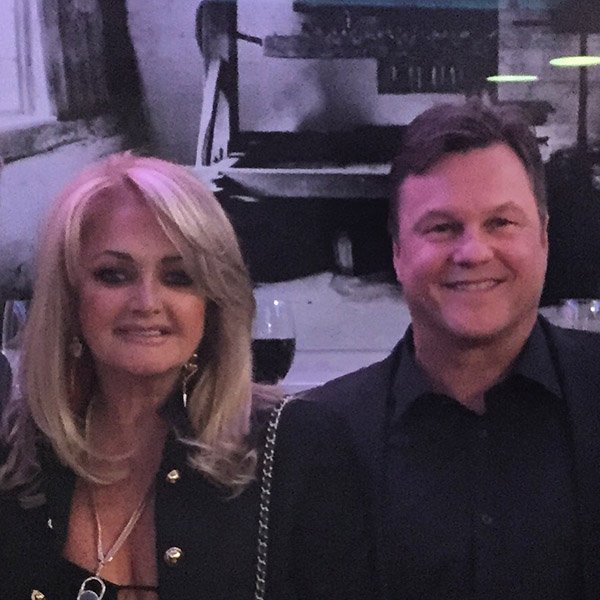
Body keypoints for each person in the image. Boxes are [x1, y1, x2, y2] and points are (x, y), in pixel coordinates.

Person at [0, 153, 375, 600]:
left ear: (213, 301)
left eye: (178, 277)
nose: (147, 302)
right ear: (68, 296)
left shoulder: (299, 447)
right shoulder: (16, 448)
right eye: (114, 275)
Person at [306, 100, 600, 600]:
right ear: (398, 253)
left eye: (501, 222)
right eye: (441, 227)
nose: (473, 252)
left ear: (544, 239)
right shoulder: (321, 437)